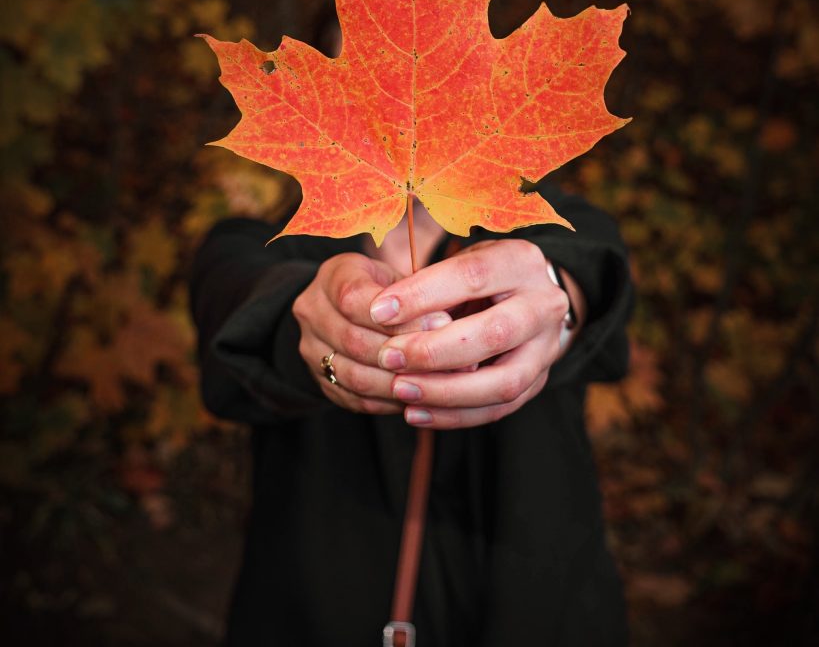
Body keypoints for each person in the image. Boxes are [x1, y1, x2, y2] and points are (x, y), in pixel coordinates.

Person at [190, 181, 633, 647]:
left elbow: (586, 274)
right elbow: (242, 308)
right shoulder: (266, 242)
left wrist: (554, 311)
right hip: (313, 611)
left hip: (535, 607)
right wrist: (312, 335)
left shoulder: (554, 223)